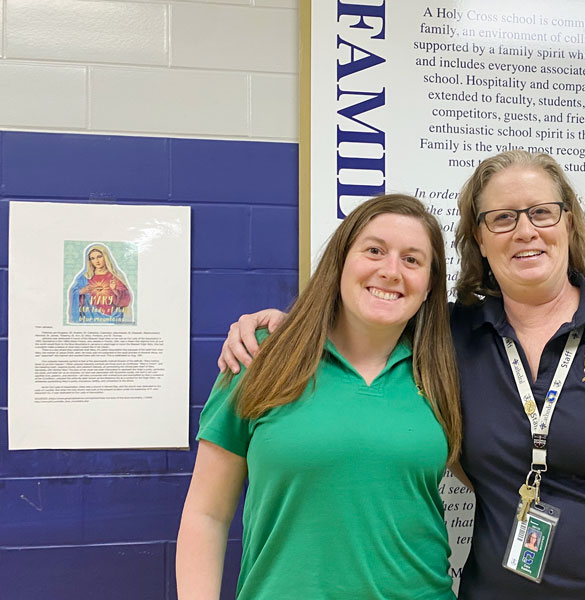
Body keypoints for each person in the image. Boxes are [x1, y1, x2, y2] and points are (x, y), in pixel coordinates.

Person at [218, 151, 585, 600]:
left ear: (569, 224)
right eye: (502, 218)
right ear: (479, 241)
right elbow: (365, 316)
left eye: (542, 213)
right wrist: (275, 327)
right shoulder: (445, 337)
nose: (526, 230)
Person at [176, 194, 462, 600]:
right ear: (340, 261)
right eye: (374, 250)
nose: (391, 271)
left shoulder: (441, 372)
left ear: (429, 284)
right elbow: (207, 514)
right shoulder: (260, 355)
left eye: (412, 260)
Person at [68, 244, 132, 323]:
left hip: (112, 317)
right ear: (90, 261)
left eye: (99, 256)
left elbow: (125, 299)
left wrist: (115, 290)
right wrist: (80, 292)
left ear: (105, 257)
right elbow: (74, 293)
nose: (97, 261)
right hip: (90, 317)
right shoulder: (85, 277)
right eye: (92, 258)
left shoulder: (115, 277)